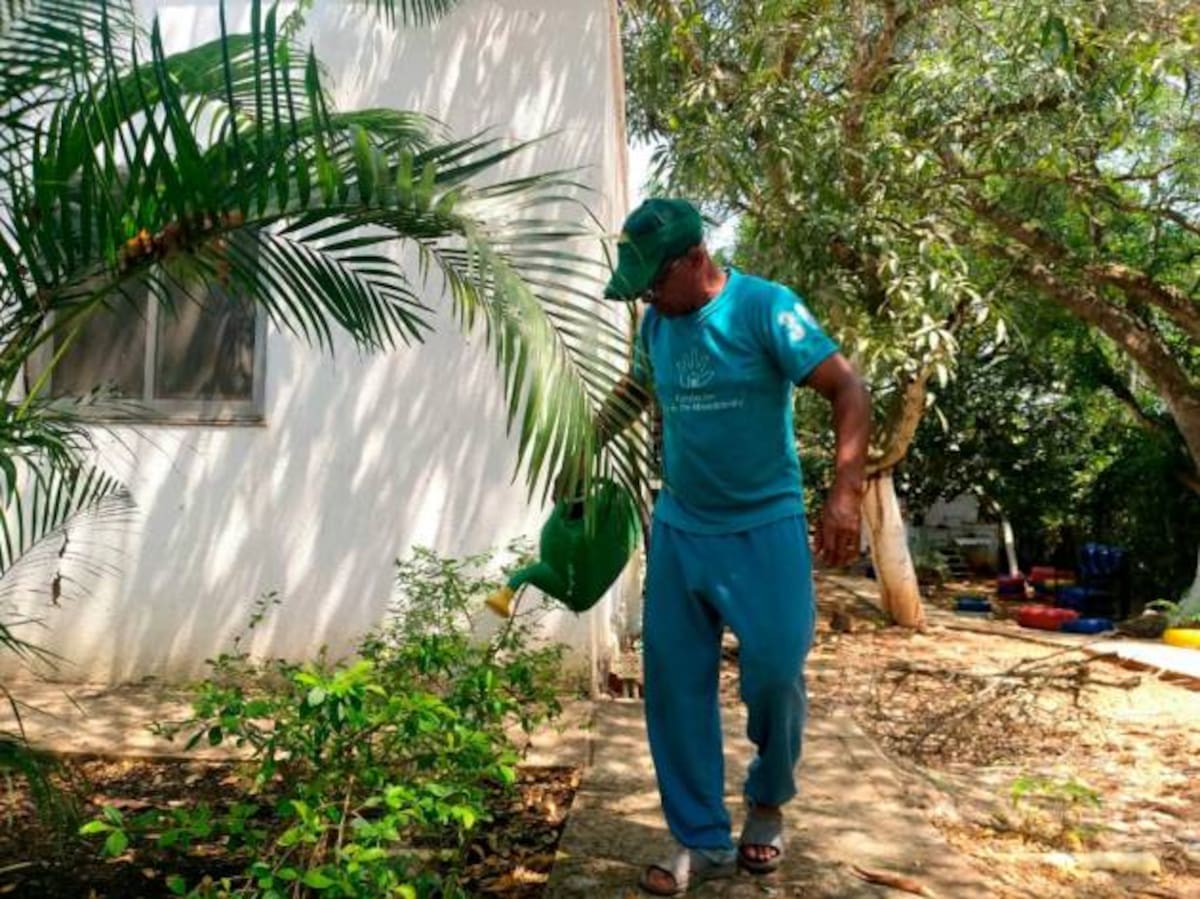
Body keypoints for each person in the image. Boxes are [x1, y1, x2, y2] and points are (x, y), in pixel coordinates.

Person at [572, 198, 870, 895]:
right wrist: (581, 440)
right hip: (680, 528)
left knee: (774, 669)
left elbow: (848, 388)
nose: (647, 297)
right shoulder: (657, 325)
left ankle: (767, 800)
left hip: (763, 527)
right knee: (674, 688)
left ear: (695, 261)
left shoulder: (767, 309)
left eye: (653, 283)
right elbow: (637, 390)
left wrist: (845, 494)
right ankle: (699, 836)